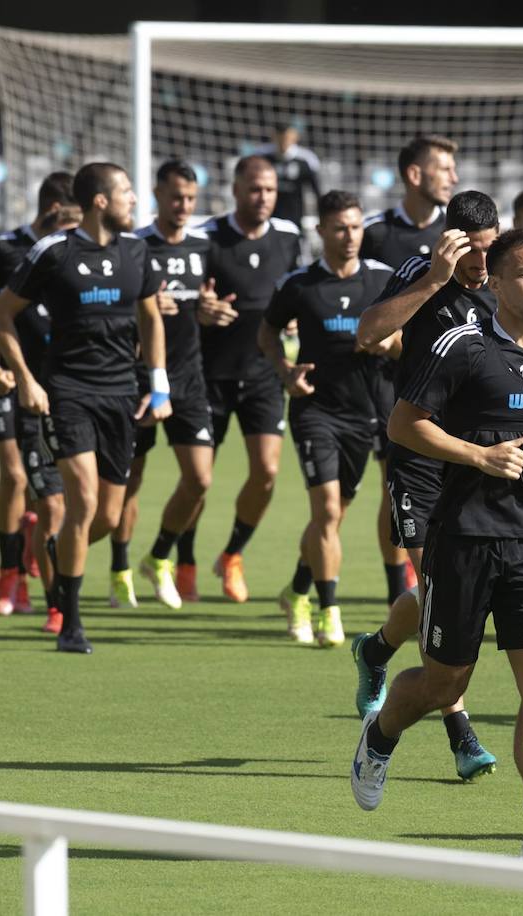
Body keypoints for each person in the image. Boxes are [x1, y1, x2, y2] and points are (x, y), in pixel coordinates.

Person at [350, 226, 523, 862]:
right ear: (495, 283)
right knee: (442, 683)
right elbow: (404, 424)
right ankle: (380, 734)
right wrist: (476, 455)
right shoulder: (462, 347)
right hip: (462, 539)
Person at [0, 162, 170, 654]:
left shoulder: (138, 251)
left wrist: (159, 386)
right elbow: (1, 315)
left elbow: (152, 319)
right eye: (128, 192)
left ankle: (53, 548)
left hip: (121, 396)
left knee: (107, 518)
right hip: (67, 392)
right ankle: (70, 622)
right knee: (83, 501)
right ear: (101, 202)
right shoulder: (52, 251)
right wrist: (26, 379)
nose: (135, 200)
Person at [351, 190, 501, 781]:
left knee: (452, 587)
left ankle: (376, 649)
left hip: (476, 457)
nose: (483, 265)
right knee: (438, 587)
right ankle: (461, 733)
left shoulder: (502, 279)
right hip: (418, 450)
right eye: (473, 252)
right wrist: (435, 281)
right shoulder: (421, 272)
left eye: (491, 250)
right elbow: (368, 332)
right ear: (451, 240)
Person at [260, 190, 395, 645]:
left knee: (329, 522)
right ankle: (328, 611)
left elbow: (406, 338)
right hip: (315, 411)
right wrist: (284, 371)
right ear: (321, 231)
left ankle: (296, 591)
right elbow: (267, 331)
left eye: (356, 226)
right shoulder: (299, 285)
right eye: (340, 227)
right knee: (327, 510)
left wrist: (388, 344)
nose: (350, 236)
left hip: (366, 415)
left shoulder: (382, 280)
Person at [0, 172, 79, 617]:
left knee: (50, 492)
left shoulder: (76, 254)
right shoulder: (5, 249)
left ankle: (33, 546)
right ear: (51, 213)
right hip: (6, 375)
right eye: (69, 222)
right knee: (15, 475)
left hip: (57, 385)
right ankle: (10, 574)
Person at [356, 134, 460, 608]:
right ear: (415, 175)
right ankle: (398, 586)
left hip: (441, 387)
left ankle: (413, 589)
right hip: (380, 379)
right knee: (386, 482)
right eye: (444, 168)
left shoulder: (460, 236)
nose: (453, 178)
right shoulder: (375, 234)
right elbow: (362, 307)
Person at [191, 156, 302, 602]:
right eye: (255, 189)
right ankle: (181, 557)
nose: (263, 198)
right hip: (206, 375)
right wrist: (200, 311)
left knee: (268, 472)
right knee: (197, 479)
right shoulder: (207, 239)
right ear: (235, 190)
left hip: (262, 374)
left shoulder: (289, 238)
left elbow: (298, 291)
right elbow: (187, 302)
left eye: (270, 190)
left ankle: (232, 554)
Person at [109, 159, 218, 610]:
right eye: (176, 197)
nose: (183, 206)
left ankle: (158, 556)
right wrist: (146, 309)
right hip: (137, 378)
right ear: (157, 194)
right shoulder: (134, 247)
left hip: (189, 378)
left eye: (191, 199)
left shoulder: (204, 246)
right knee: (130, 480)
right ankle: (119, 570)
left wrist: (210, 312)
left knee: (199, 479)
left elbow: (214, 301)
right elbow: (114, 310)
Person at [258, 125, 322, 228]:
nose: (283, 141)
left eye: (287, 138)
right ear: (274, 137)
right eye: (280, 138)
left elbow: (316, 190)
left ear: (295, 137)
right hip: (268, 215)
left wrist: (322, 213)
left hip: (294, 216)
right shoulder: (263, 159)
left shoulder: (305, 160)